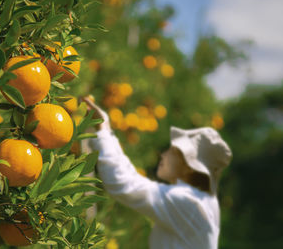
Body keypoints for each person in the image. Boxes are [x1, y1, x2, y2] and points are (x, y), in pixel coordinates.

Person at [83, 97, 232, 249]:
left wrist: (103, 131)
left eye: (173, 152)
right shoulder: (199, 201)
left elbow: (123, 183)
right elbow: (133, 180)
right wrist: (107, 131)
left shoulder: (188, 203)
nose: (163, 155)